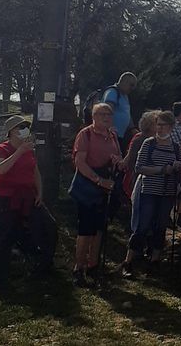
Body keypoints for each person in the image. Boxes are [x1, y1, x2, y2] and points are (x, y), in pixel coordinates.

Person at [0, 115, 57, 295]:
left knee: (49, 227)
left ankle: (43, 265)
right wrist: (19, 151)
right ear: (11, 132)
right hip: (7, 198)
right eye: (20, 127)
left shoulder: (29, 150)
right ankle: (1, 281)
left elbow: (35, 172)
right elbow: (1, 169)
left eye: (26, 126)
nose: (24, 129)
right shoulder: (3, 148)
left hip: (28, 196)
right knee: (4, 238)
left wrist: (40, 192)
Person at [120, 111, 181, 278]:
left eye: (164, 125)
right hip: (148, 190)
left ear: (171, 127)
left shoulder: (175, 147)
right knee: (142, 225)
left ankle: (154, 261)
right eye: (158, 124)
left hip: (167, 192)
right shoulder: (149, 143)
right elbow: (139, 167)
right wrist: (162, 170)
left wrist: (177, 167)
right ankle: (129, 261)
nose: (160, 128)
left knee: (161, 226)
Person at [69, 103, 123, 287]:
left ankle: (93, 265)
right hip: (87, 187)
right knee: (86, 229)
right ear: (94, 116)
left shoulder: (113, 135)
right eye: (102, 114)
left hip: (104, 189)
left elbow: (118, 158)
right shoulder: (85, 134)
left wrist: (117, 162)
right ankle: (79, 268)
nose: (107, 117)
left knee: (100, 228)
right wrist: (98, 180)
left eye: (109, 114)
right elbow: (80, 163)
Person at [102, 72, 137, 153]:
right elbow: (106, 111)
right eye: (131, 85)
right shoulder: (112, 92)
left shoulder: (125, 96)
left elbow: (127, 113)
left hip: (120, 135)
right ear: (124, 81)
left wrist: (132, 128)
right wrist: (109, 128)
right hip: (111, 135)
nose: (132, 89)